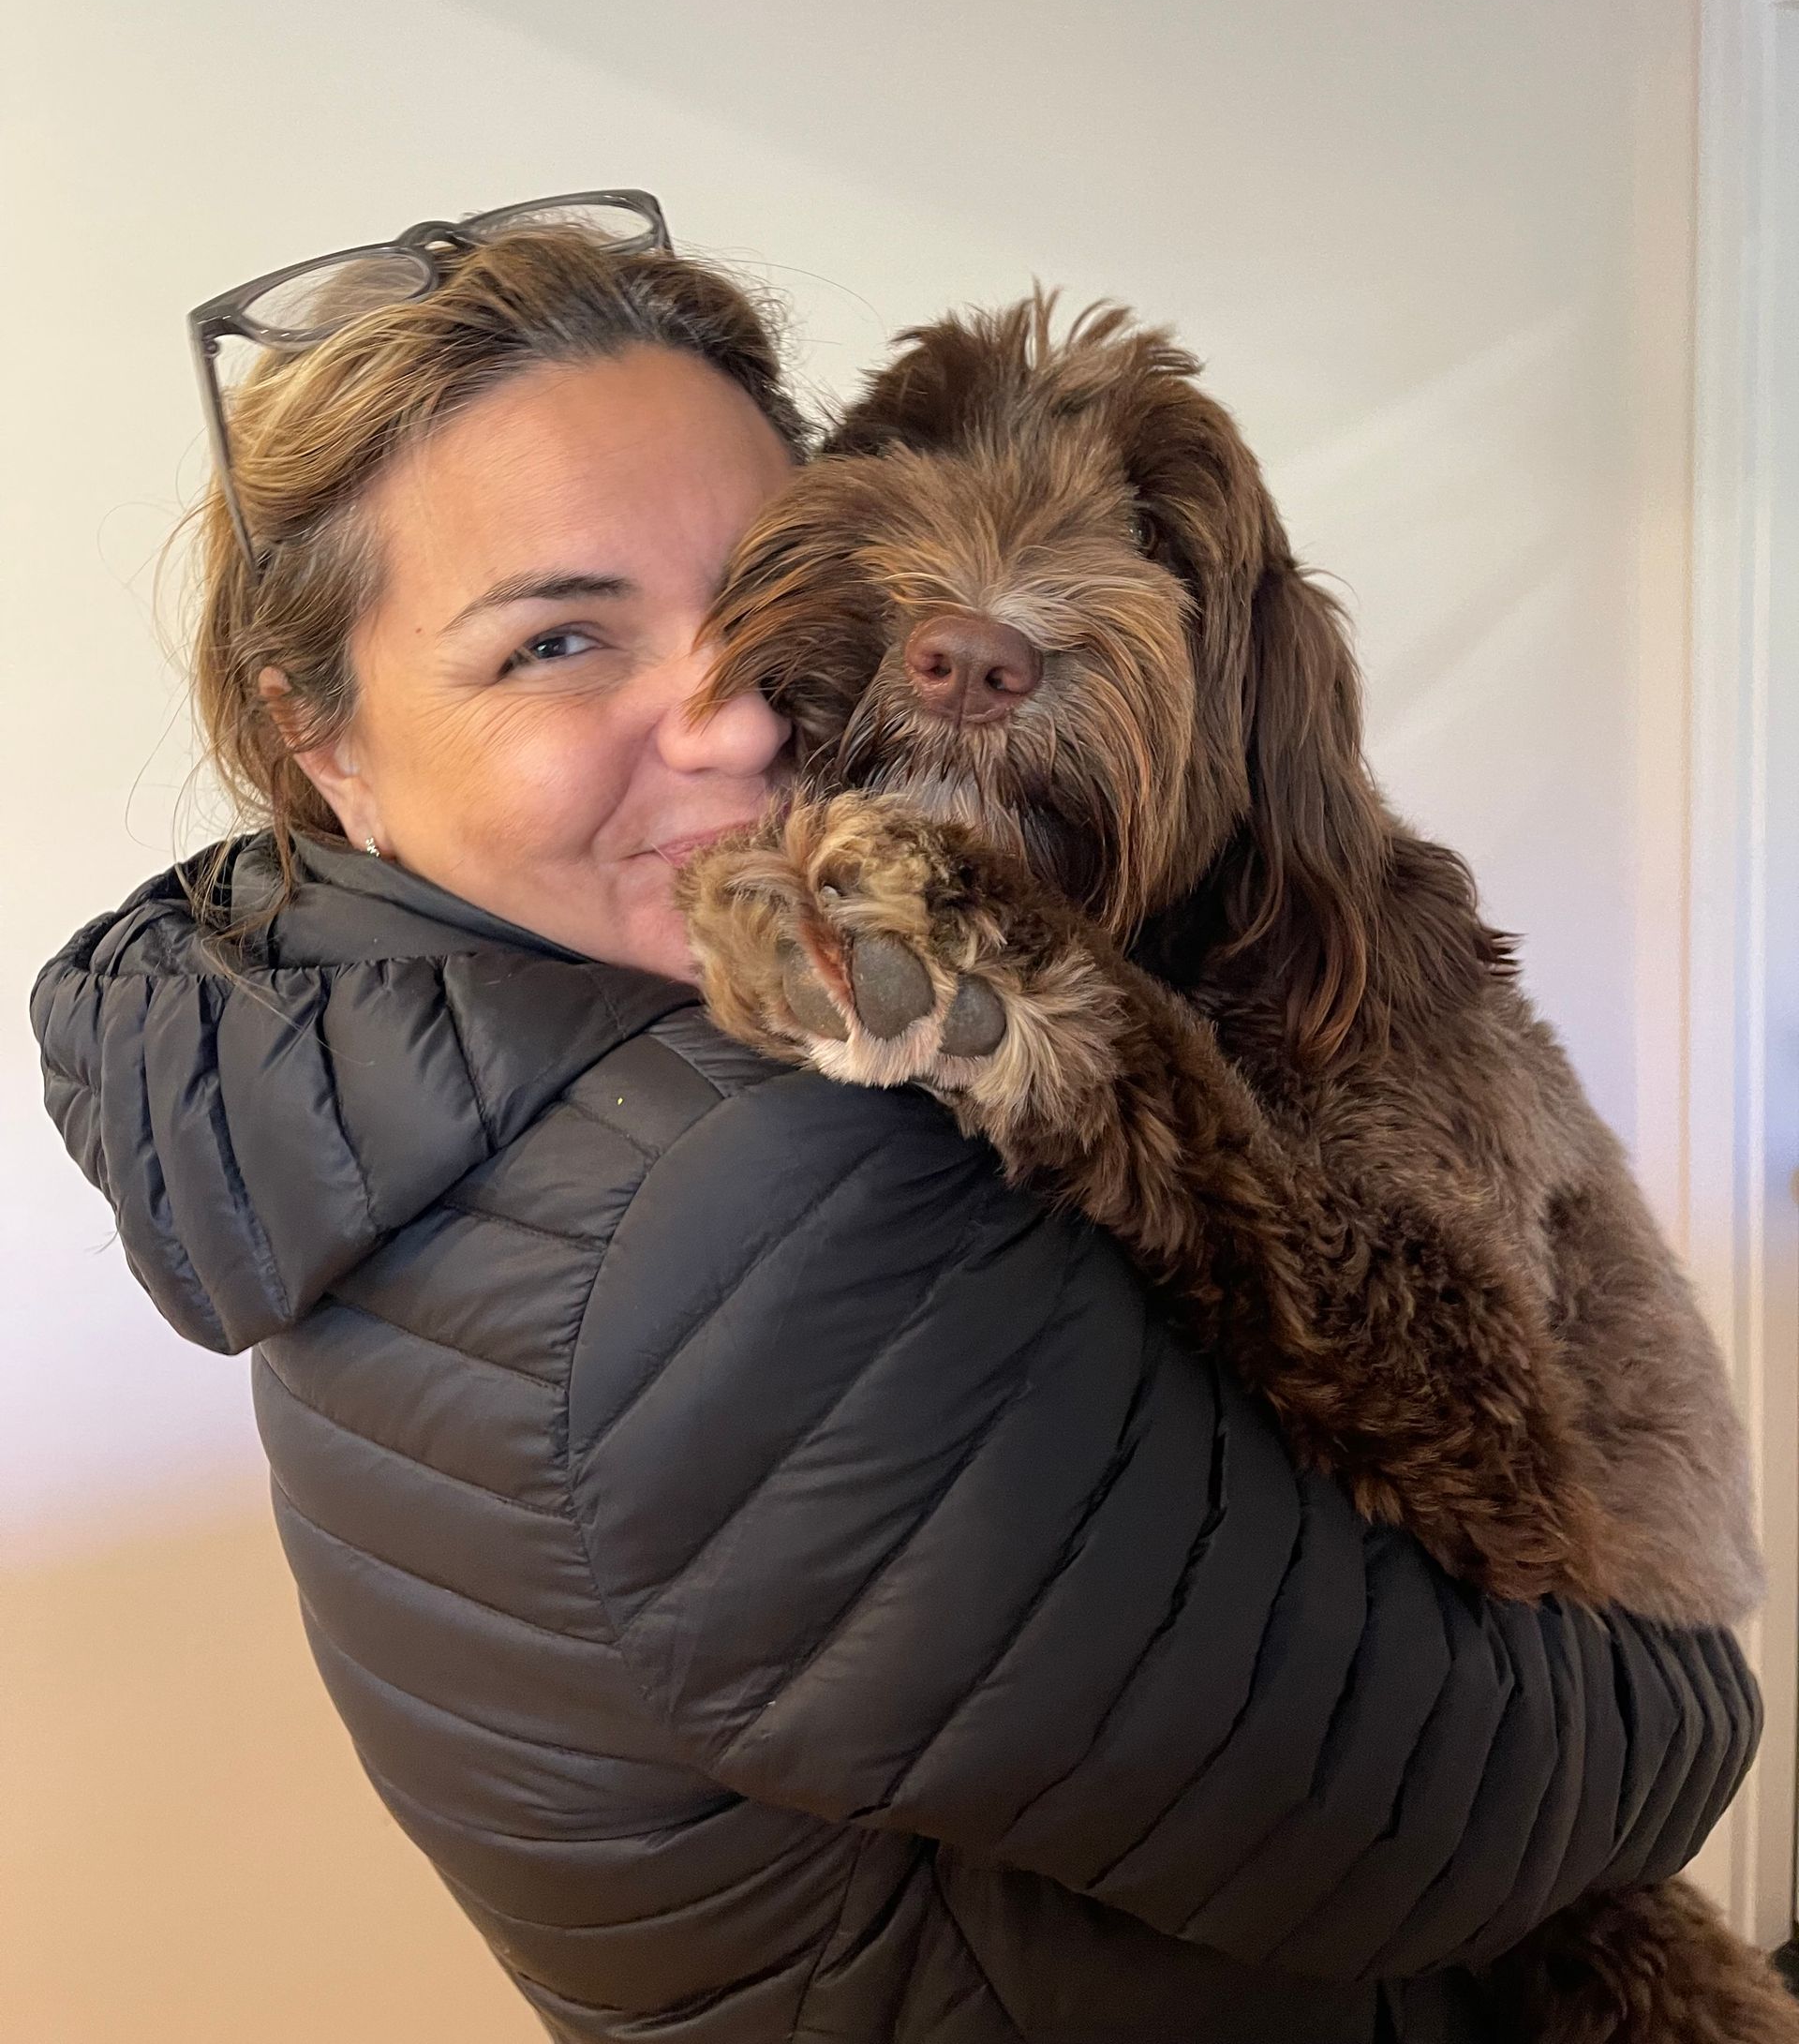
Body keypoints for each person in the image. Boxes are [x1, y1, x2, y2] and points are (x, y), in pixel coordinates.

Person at [33, 197, 1760, 2044]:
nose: (730, 720)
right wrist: (1698, 1675)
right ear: (322, 738)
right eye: (555, 642)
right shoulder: (759, 1204)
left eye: (758, 592)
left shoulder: (317, 1067)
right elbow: (1493, 1800)